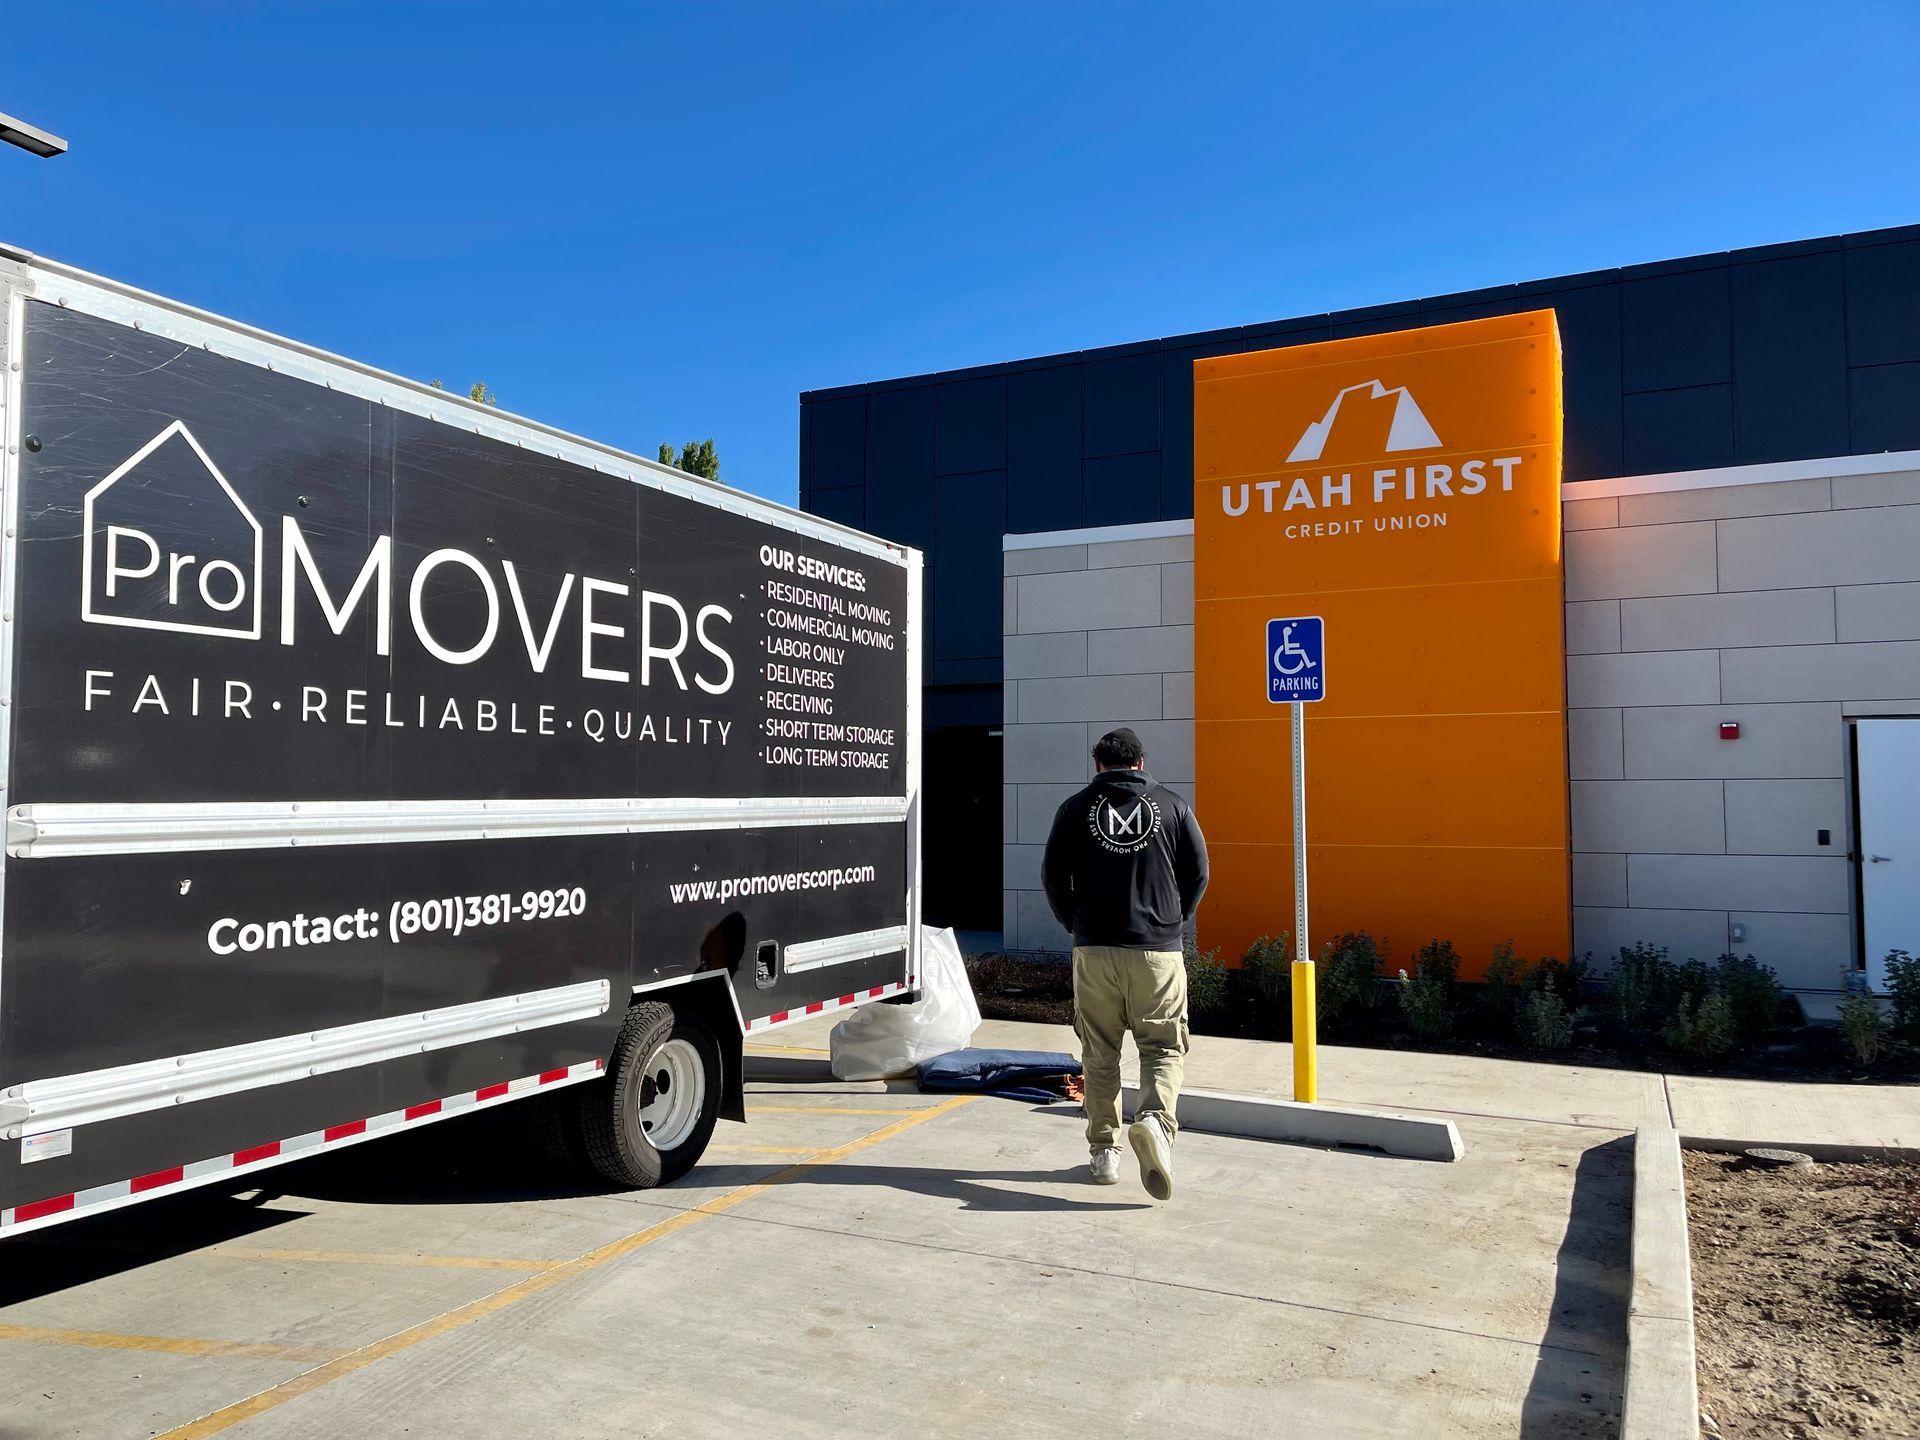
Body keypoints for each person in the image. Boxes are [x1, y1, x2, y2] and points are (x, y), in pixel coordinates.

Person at [1041, 727, 1208, 1200]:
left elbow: (1053, 875)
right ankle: (1155, 1124)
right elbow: (1200, 870)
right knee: (1161, 1047)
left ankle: (1104, 1154)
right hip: (1157, 951)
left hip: (1094, 950)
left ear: (1098, 765)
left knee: (1100, 1052)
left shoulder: (1075, 809)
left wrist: (1075, 924)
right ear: (1140, 761)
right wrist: (1174, 919)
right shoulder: (1173, 806)